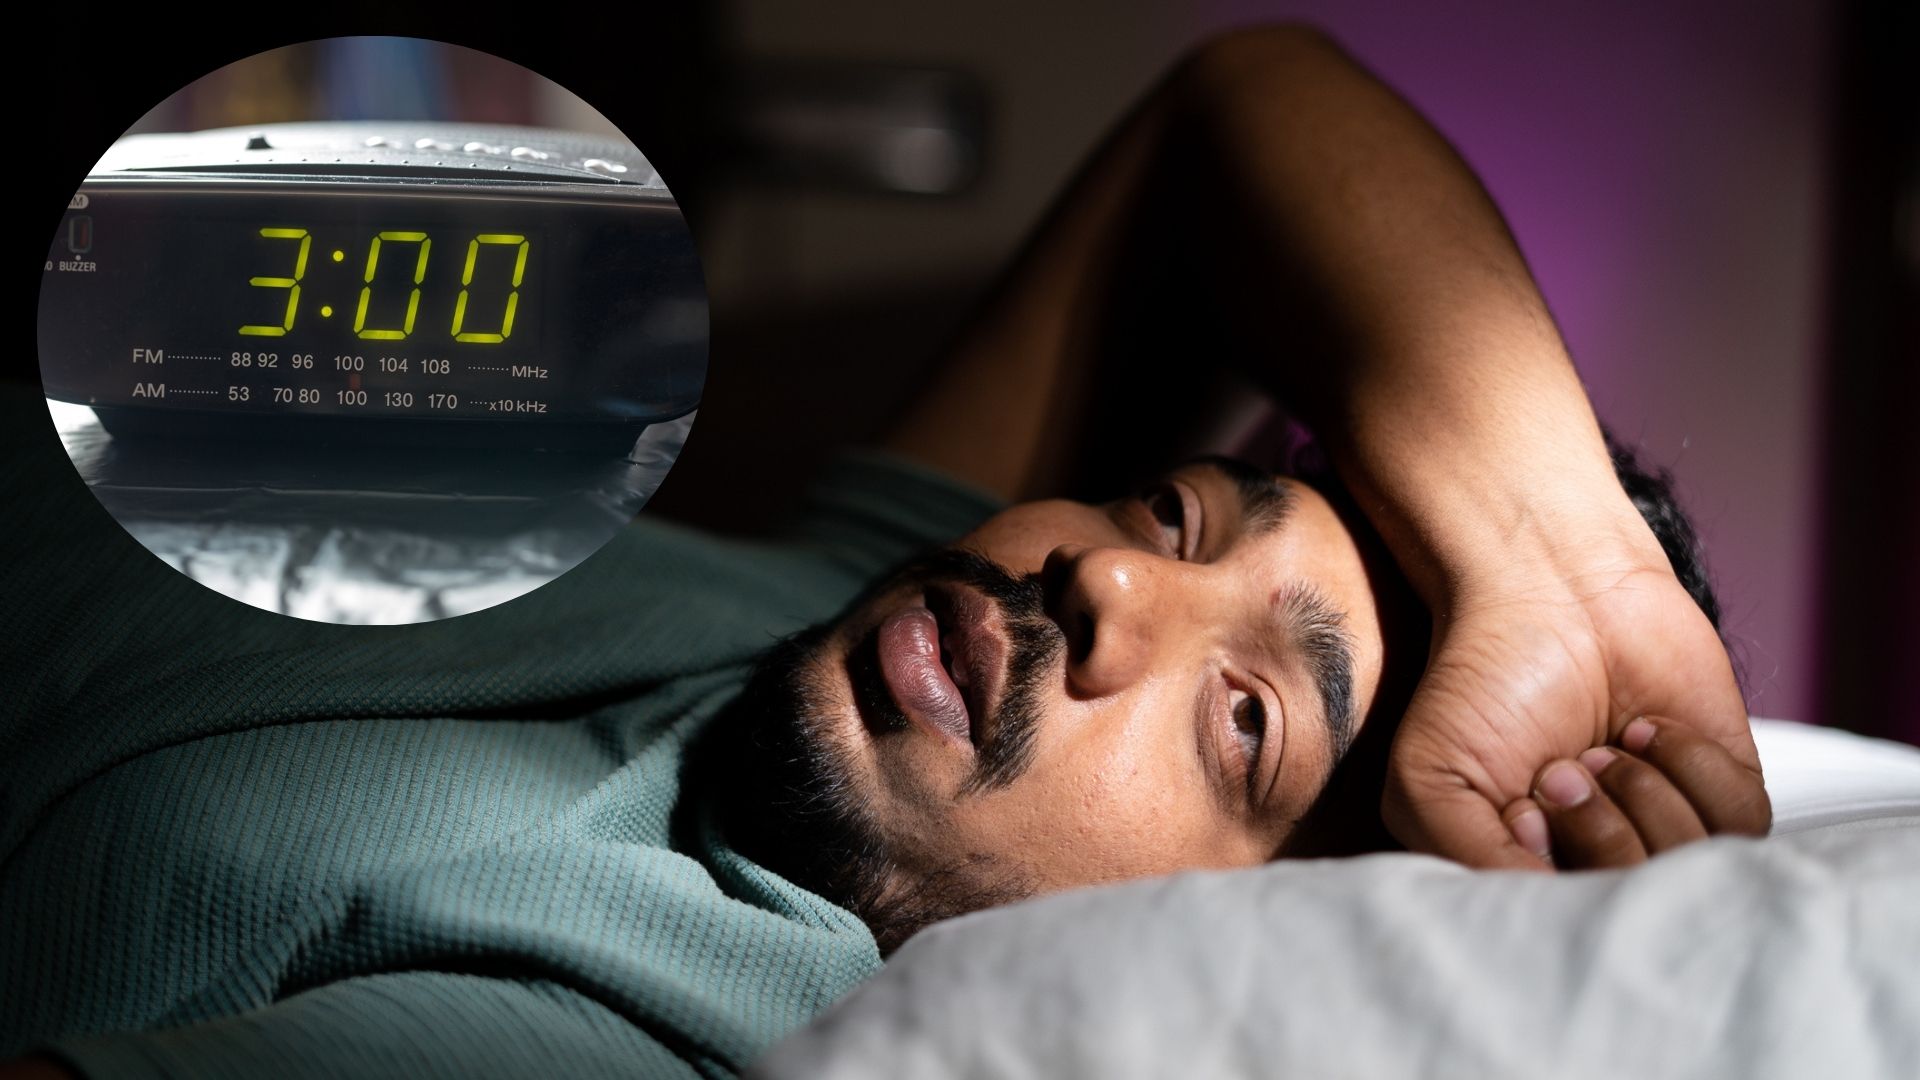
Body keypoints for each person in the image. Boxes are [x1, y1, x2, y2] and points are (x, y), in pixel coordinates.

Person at [0, 24, 1761, 1079]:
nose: (1109, 585)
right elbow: (1245, 103)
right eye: (1173, 513)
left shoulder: (666, 1017)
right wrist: (1566, 577)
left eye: (1246, 724)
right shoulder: (848, 630)